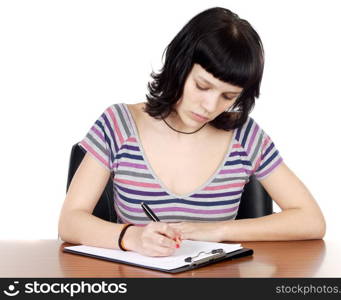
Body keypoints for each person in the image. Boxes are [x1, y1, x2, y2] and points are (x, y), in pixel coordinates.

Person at [58, 7, 326, 257]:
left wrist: (218, 231)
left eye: (228, 96)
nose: (210, 107)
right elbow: (70, 222)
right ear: (180, 66)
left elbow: (311, 220)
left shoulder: (245, 136)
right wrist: (131, 237)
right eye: (202, 86)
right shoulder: (118, 124)